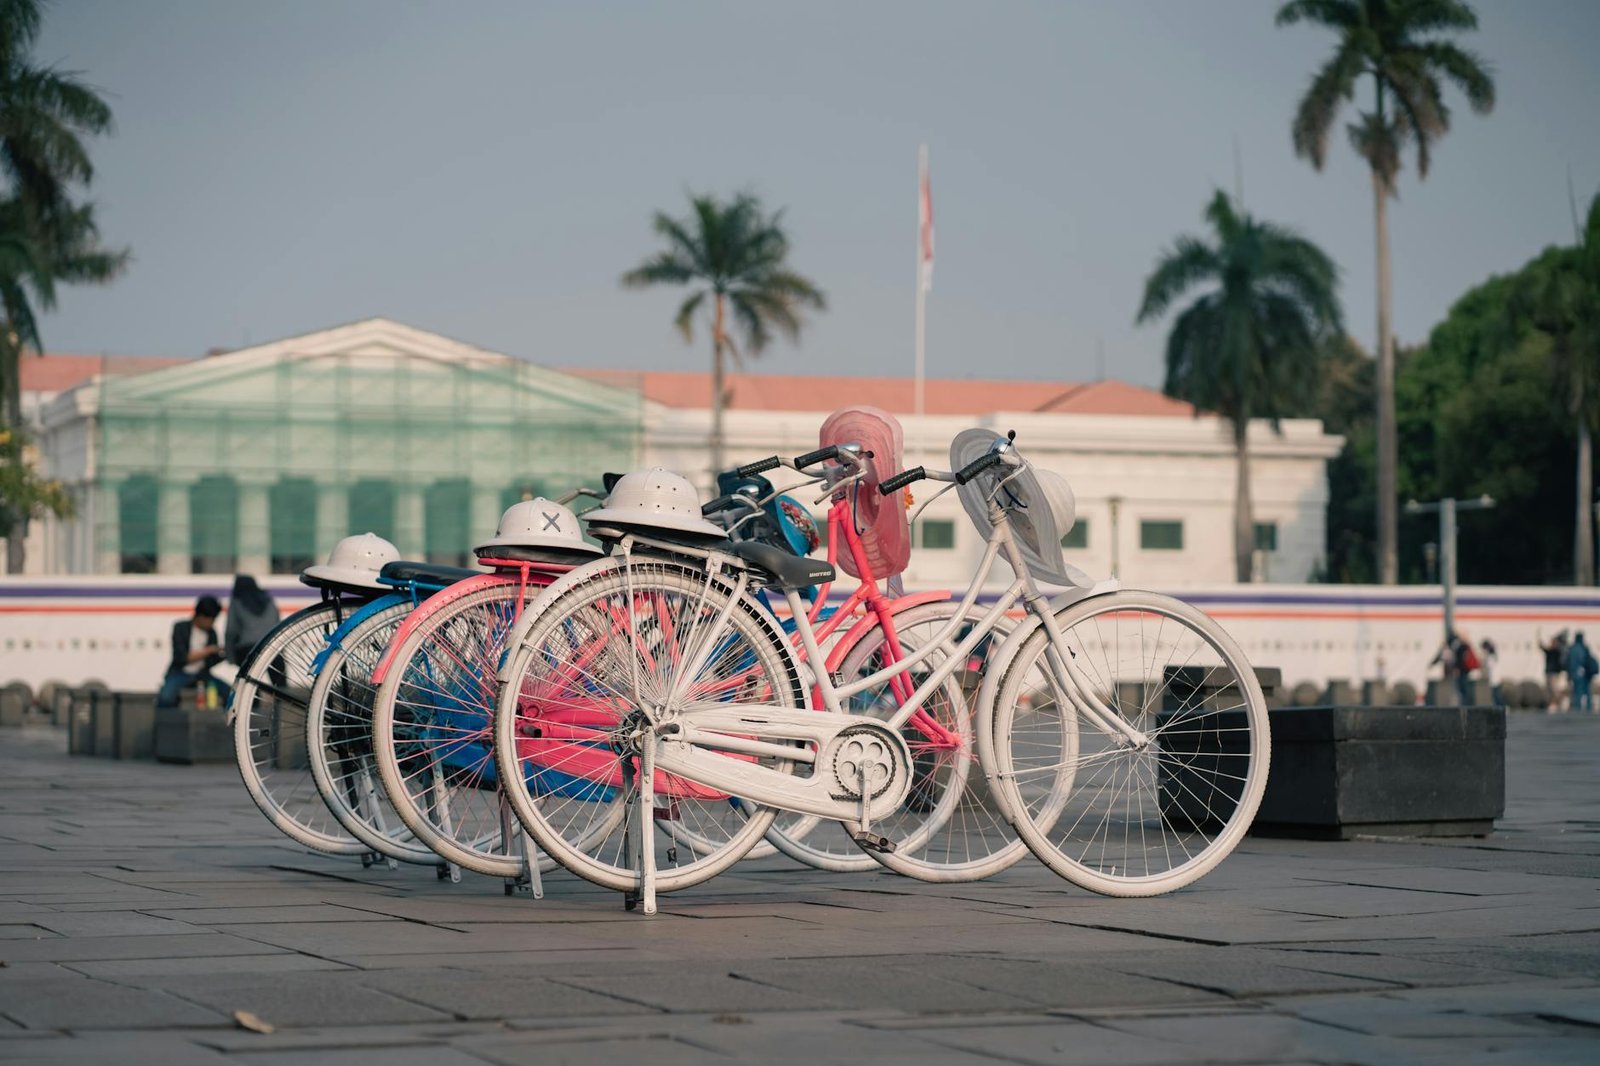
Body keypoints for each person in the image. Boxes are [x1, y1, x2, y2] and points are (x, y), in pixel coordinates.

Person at [157, 595, 230, 709]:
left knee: (229, 692)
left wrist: (224, 655)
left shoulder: (212, 633)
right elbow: (182, 657)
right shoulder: (180, 628)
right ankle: (166, 724)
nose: (212, 623)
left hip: (202, 674)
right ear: (200, 616)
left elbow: (210, 662)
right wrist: (209, 650)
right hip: (179, 673)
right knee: (166, 697)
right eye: (211, 619)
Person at [224, 575, 280, 666]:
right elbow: (278, 625)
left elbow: (231, 630)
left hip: (248, 649)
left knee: (246, 678)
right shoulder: (269, 600)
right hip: (272, 647)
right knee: (280, 679)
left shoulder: (236, 601)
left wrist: (230, 655)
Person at [1565, 631, 1598, 713]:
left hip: (1576, 672)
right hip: (1584, 672)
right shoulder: (1584, 648)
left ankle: (1577, 706)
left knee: (1577, 690)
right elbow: (1585, 660)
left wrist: (1569, 673)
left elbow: (1570, 662)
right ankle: (1588, 706)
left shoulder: (1573, 649)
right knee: (1586, 690)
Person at [1539, 629, 1569, 711]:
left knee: (1553, 689)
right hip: (1550, 673)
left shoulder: (1556, 651)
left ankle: (1555, 704)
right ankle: (1552, 704)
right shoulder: (1553, 651)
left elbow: (1544, 649)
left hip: (1554, 673)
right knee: (1550, 689)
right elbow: (1543, 648)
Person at [1479, 637, 1500, 707]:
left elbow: (1489, 666)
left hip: (1494, 678)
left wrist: (1483, 660)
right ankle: (1498, 707)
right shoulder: (1492, 655)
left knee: (1496, 695)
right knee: (1494, 694)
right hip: (1493, 678)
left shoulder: (1491, 656)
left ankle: (1500, 707)